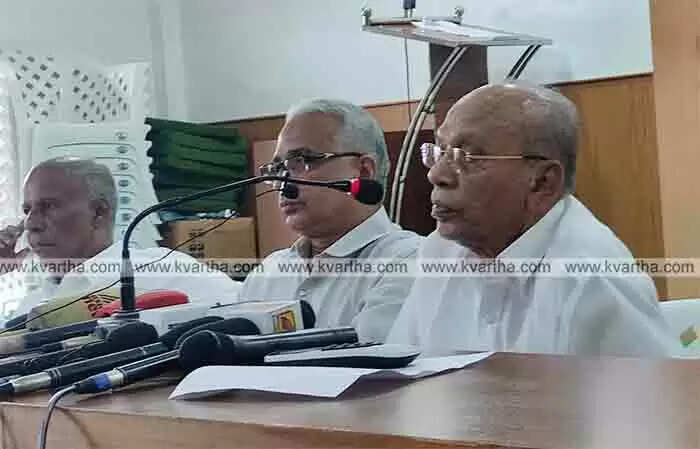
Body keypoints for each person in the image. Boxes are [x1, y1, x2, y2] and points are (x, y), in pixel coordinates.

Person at [387, 83, 673, 357]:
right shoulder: (441, 250)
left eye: (468, 157)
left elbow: (653, 391)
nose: (436, 174)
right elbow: (399, 373)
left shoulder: (590, 279)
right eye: (440, 151)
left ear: (542, 182)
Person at [238, 99, 422, 342]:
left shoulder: (409, 260)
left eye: (302, 161)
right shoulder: (267, 273)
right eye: (277, 168)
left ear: (363, 171)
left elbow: (364, 361)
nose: (284, 183)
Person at [0, 157, 241, 321]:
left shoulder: (162, 271)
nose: (31, 223)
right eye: (27, 210)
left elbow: (247, 309)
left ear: (98, 212)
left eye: (48, 206)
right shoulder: (33, 305)